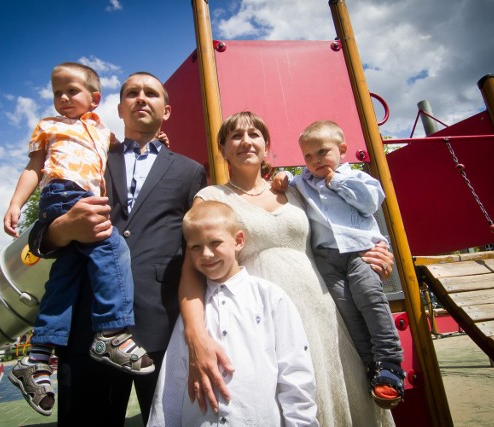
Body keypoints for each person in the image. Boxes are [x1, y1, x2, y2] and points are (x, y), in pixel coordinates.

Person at [178, 111, 396, 426]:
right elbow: (192, 269)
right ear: (223, 149)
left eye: (254, 135)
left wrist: (376, 255)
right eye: (236, 136)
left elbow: (345, 227)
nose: (246, 142)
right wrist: (195, 336)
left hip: (323, 310)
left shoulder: (297, 190)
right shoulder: (212, 198)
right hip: (259, 320)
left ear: (267, 146)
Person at [28, 71, 207, 425]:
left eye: (151, 93)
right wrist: (64, 228)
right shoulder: (87, 157)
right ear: (119, 108)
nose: (141, 98)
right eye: (132, 93)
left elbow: (196, 251)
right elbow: (39, 237)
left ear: (166, 111)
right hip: (85, 325)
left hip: (162, 327)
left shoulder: (191, 171)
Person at [4, 63, 156, 416]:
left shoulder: (102, 131)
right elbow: (34, 167)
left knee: (65, 278)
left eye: (71, 91)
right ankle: (111, 332)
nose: (63, 98)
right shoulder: (50, 126)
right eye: (57, 92)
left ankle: (37, 357)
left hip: (83, 194)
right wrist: (16, 203)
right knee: (112, 245)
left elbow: (127, 148)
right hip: (63, 193)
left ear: (94, 98)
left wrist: (158, 140)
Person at [272, 120, 405, 409]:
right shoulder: (304, 181)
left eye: (322, 152)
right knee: (346, 309)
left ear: (342, 149)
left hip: (361, 251)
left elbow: (371, 203)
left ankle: (390, 361)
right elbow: (289, 183)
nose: (315, 161)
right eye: (307, 157)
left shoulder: (357, 178)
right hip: (327, 258)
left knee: (369, 296)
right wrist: (283, 174)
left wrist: (337, 181)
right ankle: (372, 366)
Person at [148, 200, 318, 427]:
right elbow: (172, 381)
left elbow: (295, 372)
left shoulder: (270, 298)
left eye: (215, 243)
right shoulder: (193, 313)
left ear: (238, 241)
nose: (206, 254)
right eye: (195, 247)